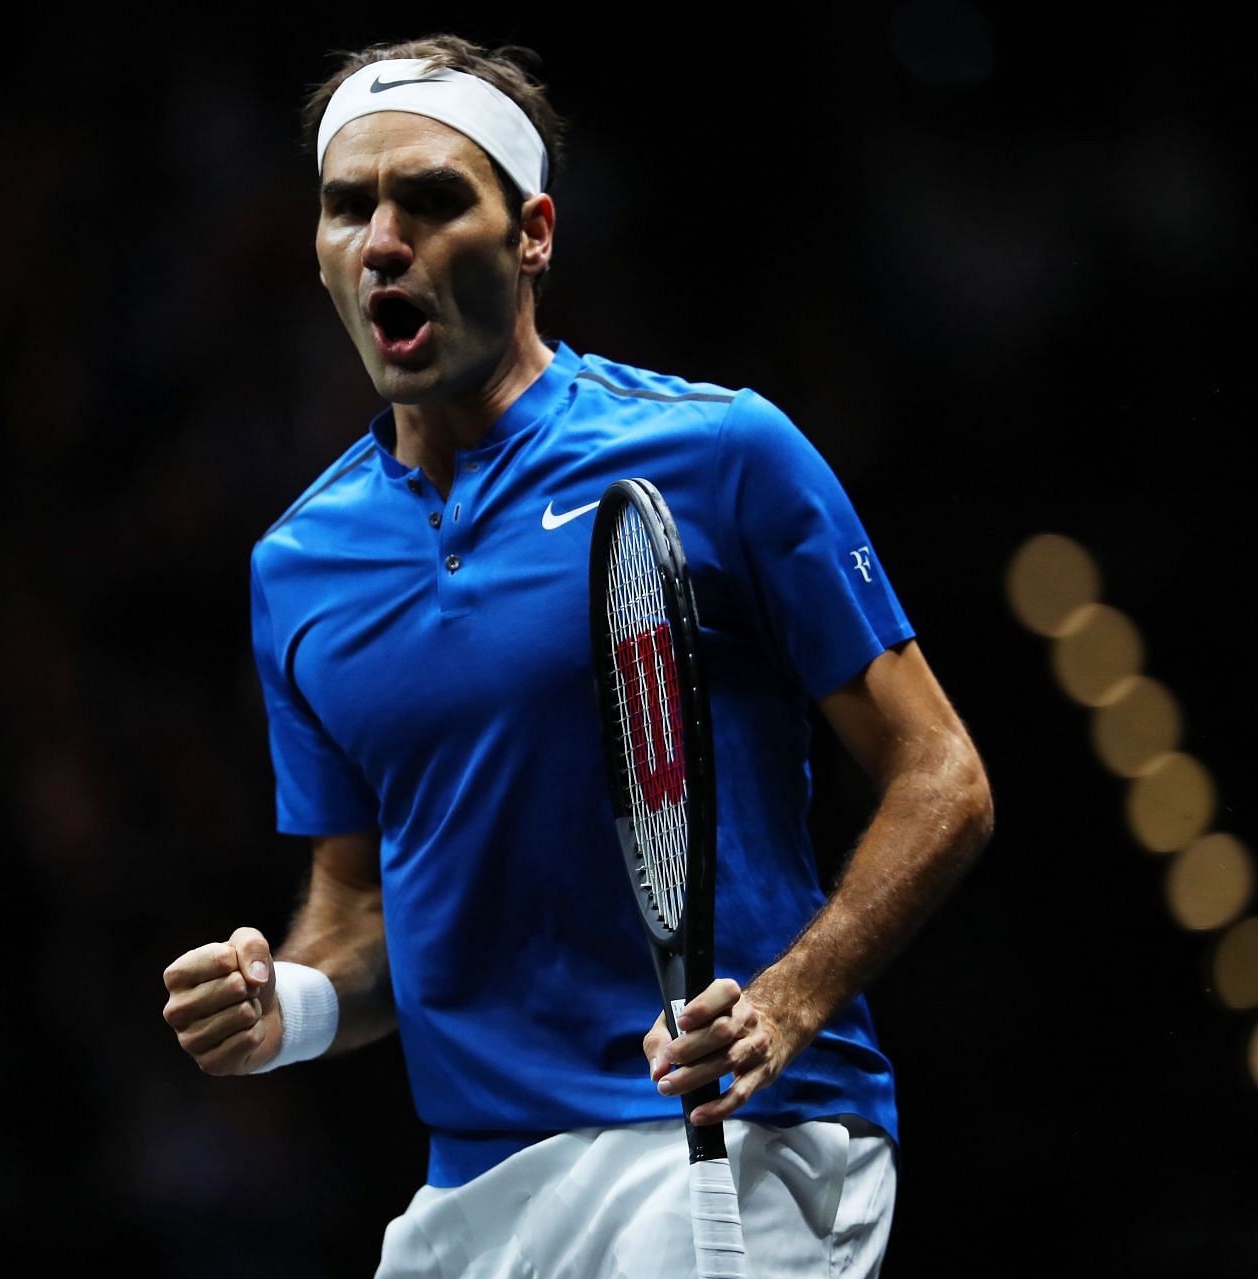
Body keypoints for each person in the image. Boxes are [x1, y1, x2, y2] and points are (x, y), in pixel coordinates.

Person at [162, 35, 994, 1278]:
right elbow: (365, 907)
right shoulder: (299, 568)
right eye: (349, 208)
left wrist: (790, 997)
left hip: (729, 1144)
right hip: (479, 1185)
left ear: (533, 234)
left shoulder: (720, 454)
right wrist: (292, 1005)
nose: (384, 239)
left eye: (435, 200)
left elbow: (944, 777)